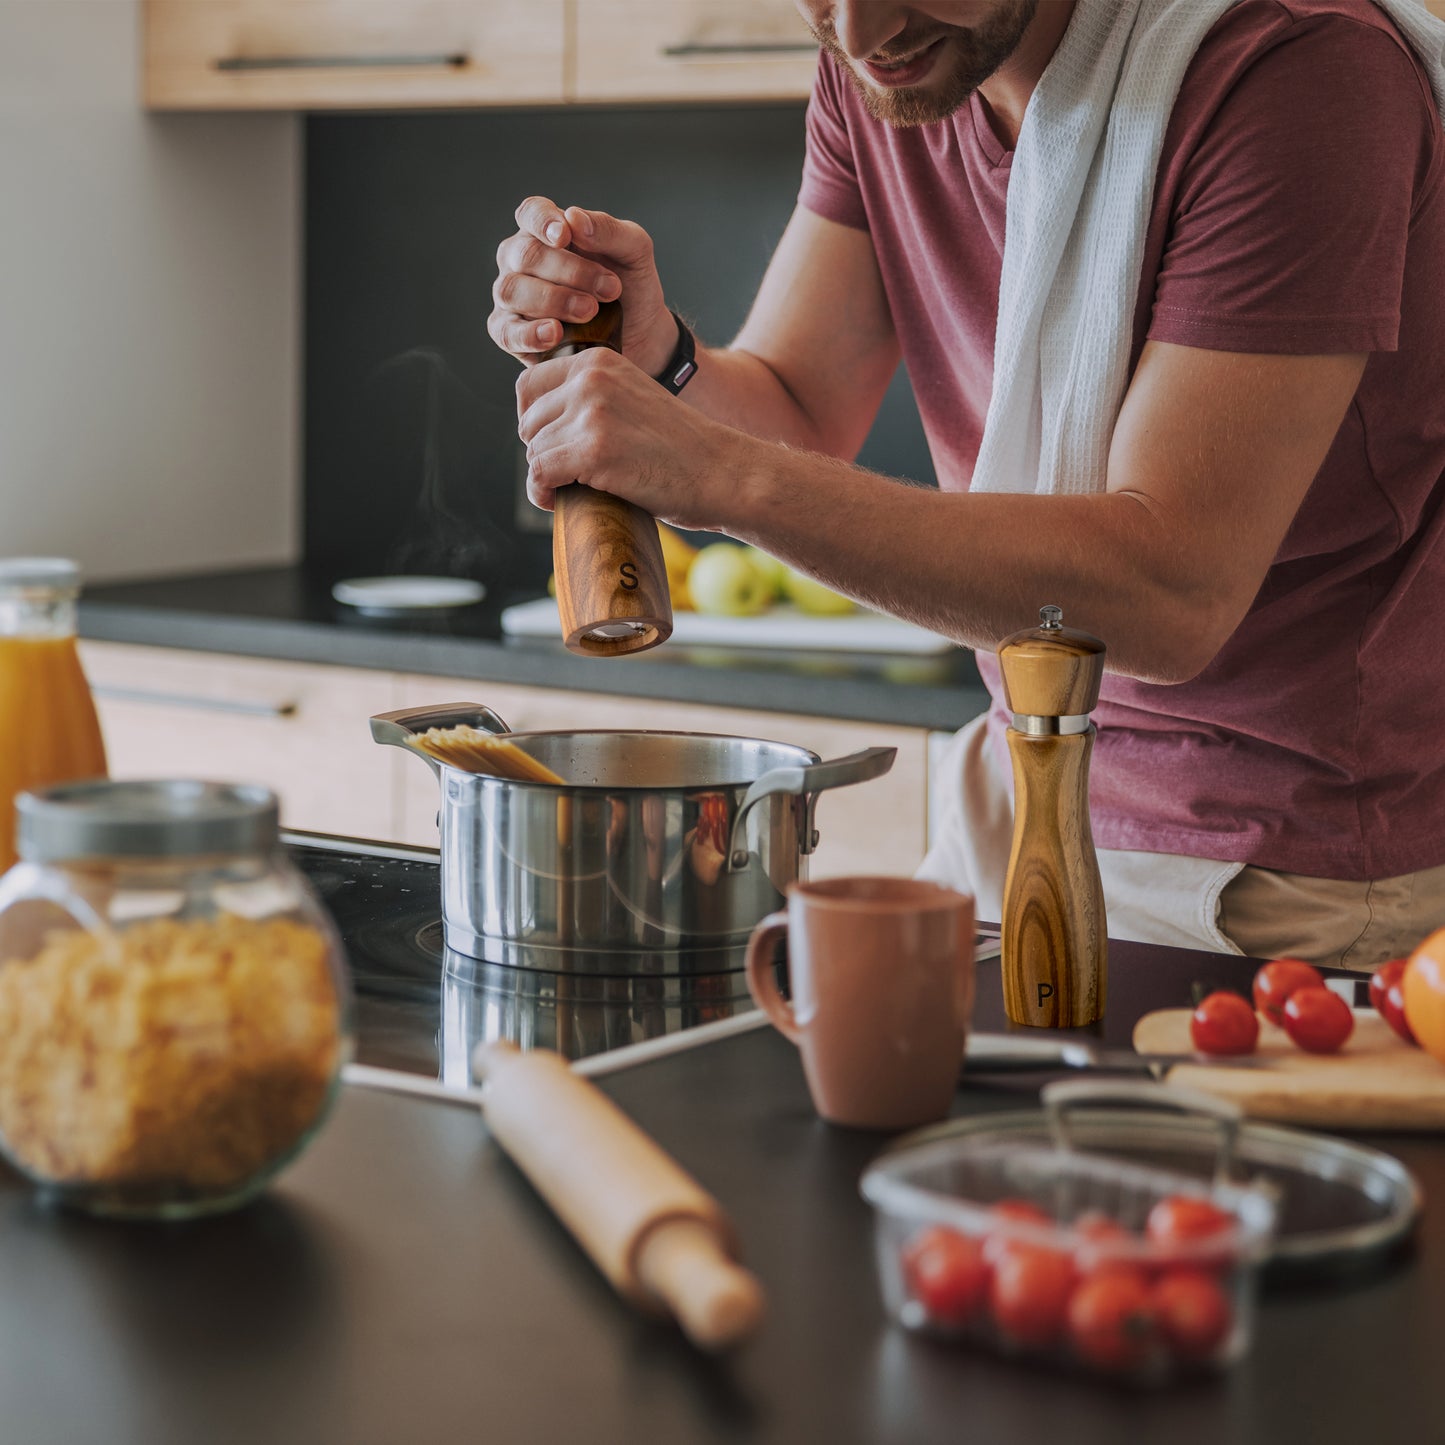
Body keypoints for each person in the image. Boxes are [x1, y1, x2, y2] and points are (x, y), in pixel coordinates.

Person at [489, 0, 1445, 969]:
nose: (861, 35)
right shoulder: (891, 76)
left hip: (1287, 878)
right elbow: (795, 399)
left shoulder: (1299, 69)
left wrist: (717, 471)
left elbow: (1172, 595)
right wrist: (665, 359)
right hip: (1018, 794)